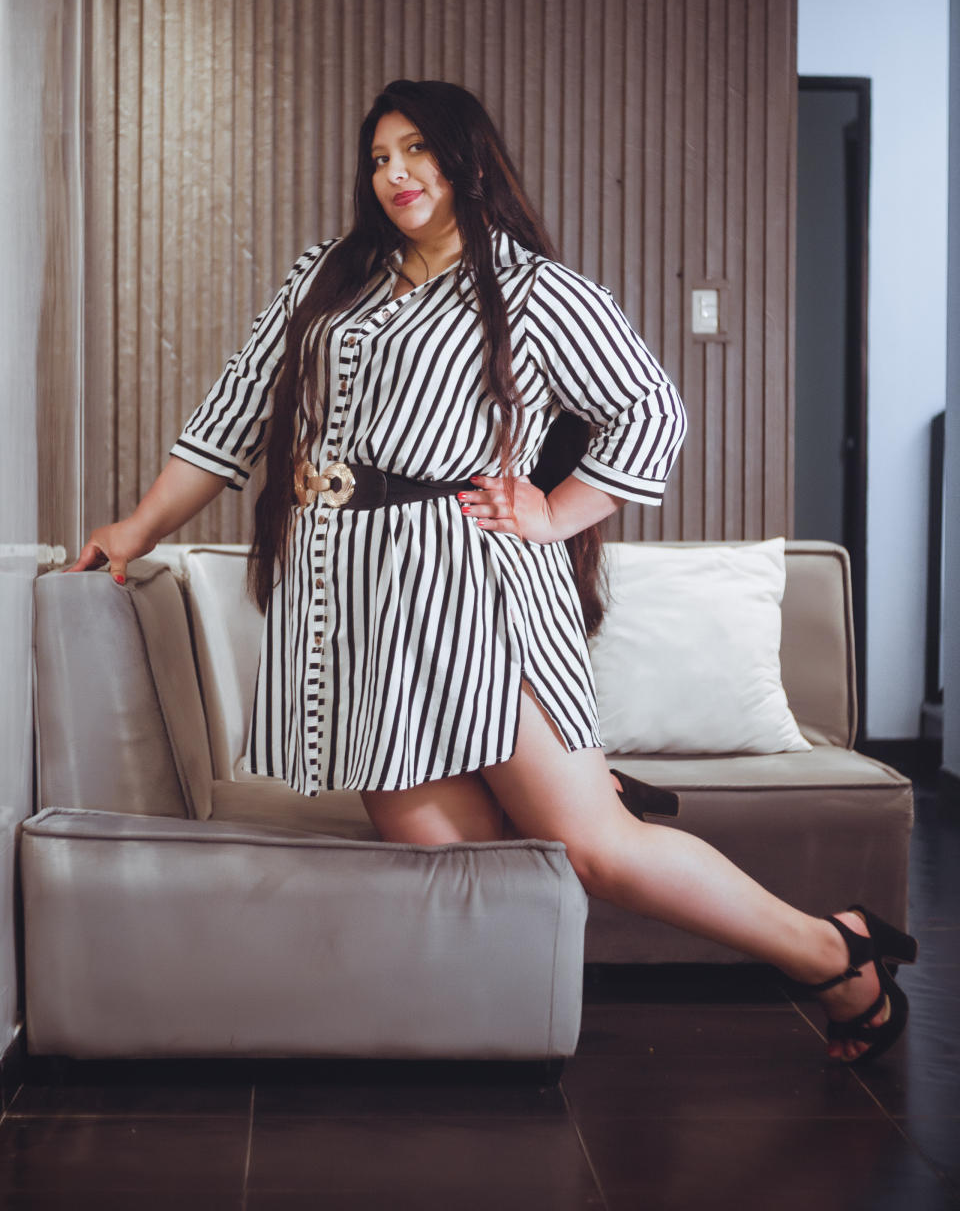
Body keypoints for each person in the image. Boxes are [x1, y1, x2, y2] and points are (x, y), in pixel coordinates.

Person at [69, 78, 916, 1065]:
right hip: (357, 604)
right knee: (436, 852)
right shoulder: (328, 278)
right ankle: (523, 972)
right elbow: (232, 417)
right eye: (379, 157)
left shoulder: (533, 292)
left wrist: (553, 512)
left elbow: (652, 412)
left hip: (477, 591)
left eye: (417, 149)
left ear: (468, 159)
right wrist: (136, 528)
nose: (395, 173)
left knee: (596, 852)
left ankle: (835, 953)